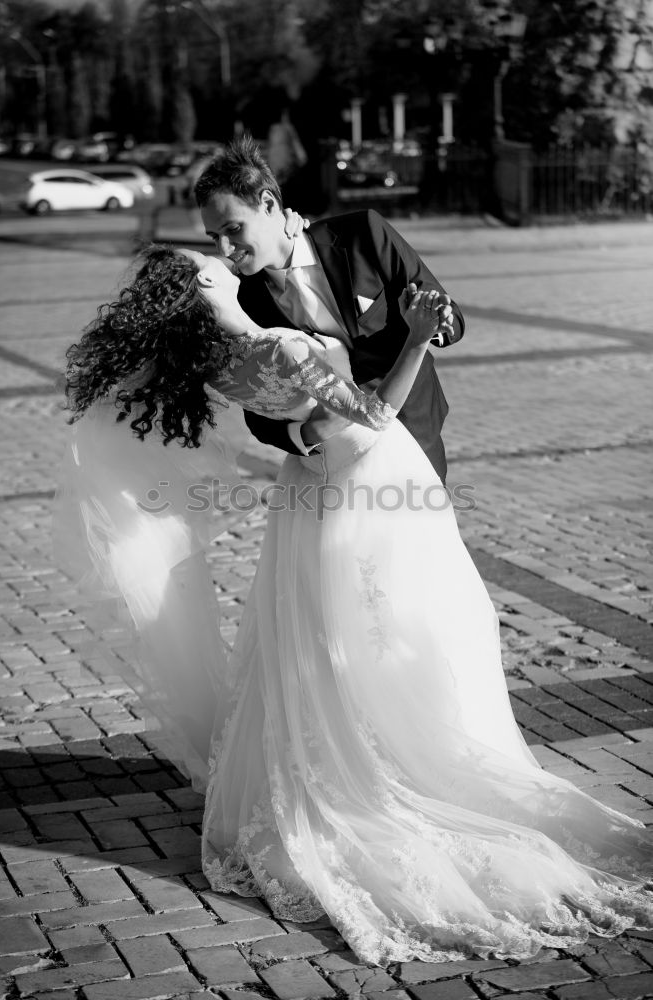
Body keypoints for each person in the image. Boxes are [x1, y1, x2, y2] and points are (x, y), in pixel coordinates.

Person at [59, 244, 653, 968]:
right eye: (203, 257)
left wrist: (312, 429)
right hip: (371, 483)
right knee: (420, 623)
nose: (216, 255)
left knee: (330, 638)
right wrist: (409, 337)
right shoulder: (272, 344)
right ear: (200, 284)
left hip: (308, 494)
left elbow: (301, 428)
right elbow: (373, 412)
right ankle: (407, 760)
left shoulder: (220, 362)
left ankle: (370, 743)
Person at [194, 135, 463, 484]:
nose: (226, 247)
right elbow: (258, 413)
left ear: (268, 204)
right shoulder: (243, 301)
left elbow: (449, 315)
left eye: (233, 229)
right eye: (215, 237)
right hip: (333, 460)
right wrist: (311, 434)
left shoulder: (363, 234)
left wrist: (435, 321)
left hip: (412, 428)